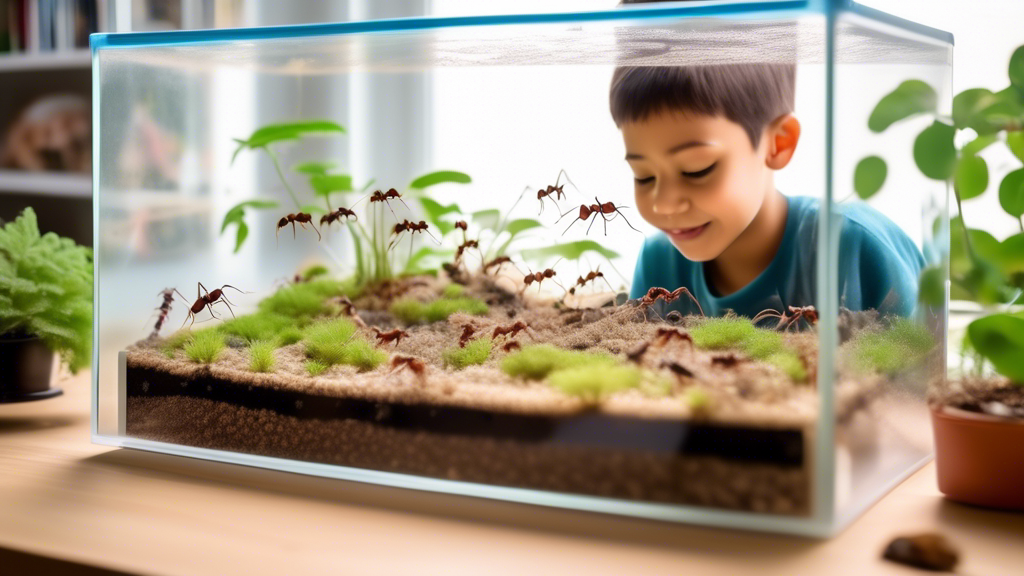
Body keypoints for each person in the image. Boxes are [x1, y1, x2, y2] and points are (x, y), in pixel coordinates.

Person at [611, 64, 925, 320]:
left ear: (778, 143)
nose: (665, 204)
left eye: (697, 169)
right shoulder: (659, 262)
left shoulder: (858, 249)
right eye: (644, 176)